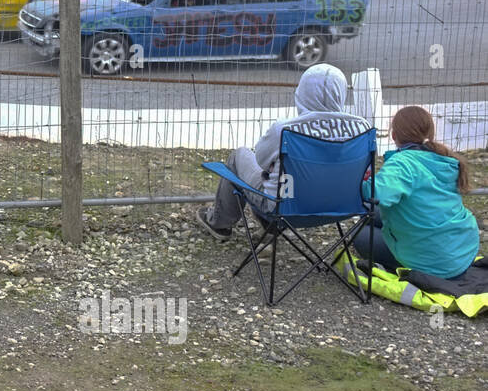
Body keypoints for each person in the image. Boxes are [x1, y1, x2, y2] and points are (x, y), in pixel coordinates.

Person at [196, 64, 371, 240]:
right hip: (345, 208)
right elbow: (366, 171)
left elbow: (260, 161)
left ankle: (220, 223)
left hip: (286, 208)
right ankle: (269, 225)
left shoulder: (285, 129)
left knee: (240, 156)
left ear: (302, 92)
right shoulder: (363, 127)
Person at [349, 106, 480, 280]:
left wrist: (365, 181)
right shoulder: (444, 159)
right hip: (463, 253)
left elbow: (376, 194)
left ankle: (405, 259)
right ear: (430, 132)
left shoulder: (402, 163)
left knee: (358, 232)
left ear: (394, 135)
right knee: (374, 213)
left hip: (431, 263)